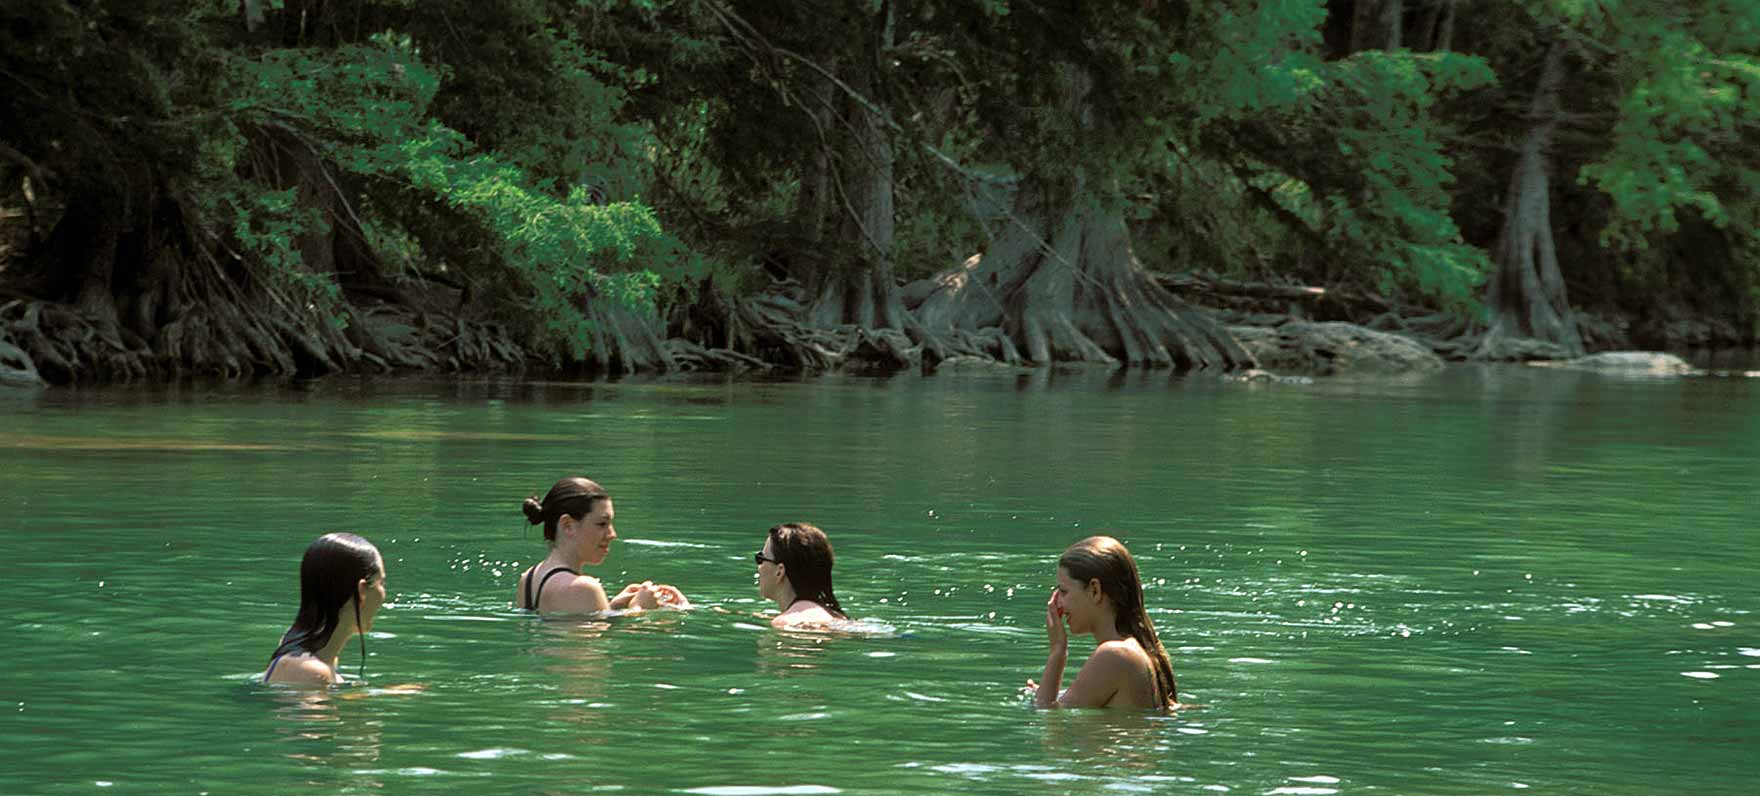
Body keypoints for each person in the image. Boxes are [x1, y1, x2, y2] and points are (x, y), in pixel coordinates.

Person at [1029, 535, 1179, 710]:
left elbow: (1049, 721)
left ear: (1095, 590)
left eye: (1063, 591)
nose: (1056, 604)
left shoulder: (1114, 655)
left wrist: (1057, 651)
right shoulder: (1133, 650)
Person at [516, 476, 688, 614]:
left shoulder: (528, 579)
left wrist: (612, 609)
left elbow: (565, 630)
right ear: (567, 525)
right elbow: (594, 652)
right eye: (601, 524)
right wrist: (640, 609)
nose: (612, 534)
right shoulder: (584, 588)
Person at [264, 533, 388, 686]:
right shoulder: (309, 670)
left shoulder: (307, 652)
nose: (384, 594)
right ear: (362, 591)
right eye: (381, 583)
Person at [755, 522, 847, 628]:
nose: (759, 567)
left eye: (760, 559)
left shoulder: (787, 622)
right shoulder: (836, 617)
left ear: (780, 571)